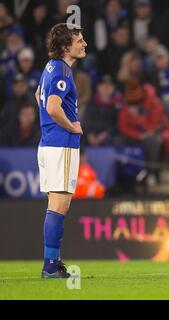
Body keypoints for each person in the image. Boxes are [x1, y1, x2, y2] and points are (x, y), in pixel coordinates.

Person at [35, 23, 87, 278]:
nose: (84, 44)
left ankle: (52, 263)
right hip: (61, 144)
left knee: (54, 204)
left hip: (49, 143)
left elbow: (38, 95)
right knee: (59, 205)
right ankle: (51, 266)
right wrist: (72, 126)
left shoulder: (51, 67)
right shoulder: (63, 71)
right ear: (66, 46)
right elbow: (53, 107)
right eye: (79, 40)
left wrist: (47, 126)